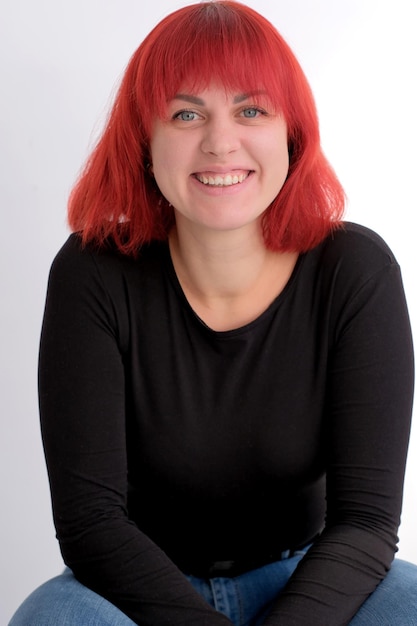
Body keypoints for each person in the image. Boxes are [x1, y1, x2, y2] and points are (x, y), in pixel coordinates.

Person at [9, 1, 416, 625]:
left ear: (292, 133)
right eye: (186, 113)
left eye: (251, 110)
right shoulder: (93, 273)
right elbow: (92, 524)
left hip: (310, 577)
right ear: (145, 140)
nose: (220, 142)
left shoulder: (354, 272)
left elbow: (365, 523)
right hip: (136, 592)